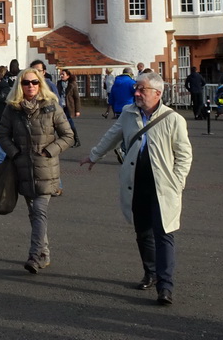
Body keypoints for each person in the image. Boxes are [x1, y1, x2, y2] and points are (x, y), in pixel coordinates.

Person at [81, 72, 193, 306]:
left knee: (164, 235)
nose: (137, 93)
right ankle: (150, 273)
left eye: (142, 89)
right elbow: (113, 135)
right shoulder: (129, 113)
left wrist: (177, 184)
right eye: (136, 89)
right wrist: (94, 155)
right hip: (136, 182)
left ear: (158, 93)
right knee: (142, 232)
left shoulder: (174, 119)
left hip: (163, 186)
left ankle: (165, 286)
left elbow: (184, 155)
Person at [0, 67, 75, 274]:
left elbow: (68, 136)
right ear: (19, 86)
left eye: (34, 82)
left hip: (46, 170)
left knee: (39, 211)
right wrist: (14, 153)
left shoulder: (51, 106)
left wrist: (50, 151)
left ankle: (34, 255)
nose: (30, 86)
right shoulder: (12, 109)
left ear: (40, 84)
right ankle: (45, 253)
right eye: (26, 83)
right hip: (22, 169)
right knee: (34, 214)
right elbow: (2, 135)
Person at [57, 69, 82, 147]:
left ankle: (76, 140)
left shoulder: (72, 84)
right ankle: (63, 140)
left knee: (70, 123)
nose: (61, 76)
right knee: (59, 123)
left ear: (68, 76)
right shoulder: (59, 83)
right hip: (60, 106)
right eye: (61, 74)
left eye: (63, 74)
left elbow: (77, 98)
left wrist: (77, 110)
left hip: (68, 107)